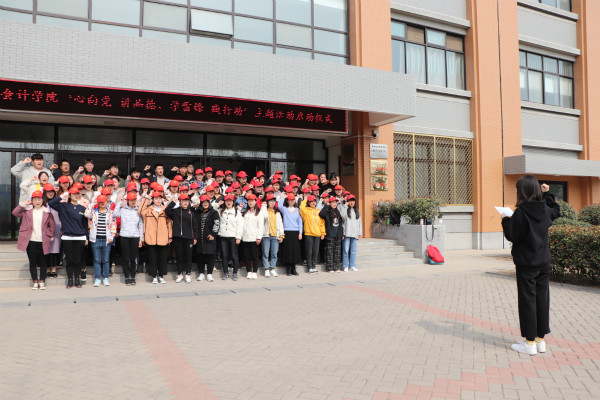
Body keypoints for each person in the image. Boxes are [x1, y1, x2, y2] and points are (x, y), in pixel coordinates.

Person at [501, 175, 560, 355]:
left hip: (527, 264)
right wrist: (547, 194)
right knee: (542, 300)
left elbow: (512, 235)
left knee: (528, 301)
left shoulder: (522, 212)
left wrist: (505, 219)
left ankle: (529, 343)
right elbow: (556, 210)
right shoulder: (544, 209)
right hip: (543, 262)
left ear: (522, 191)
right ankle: (540, 340)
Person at [13, 191, 56, 290]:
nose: (37, 201)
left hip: (43, 240)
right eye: (35, 199)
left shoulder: (47, 212)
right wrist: (23, 204)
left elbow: (52, 225)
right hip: (31, 240)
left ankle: (42, 280)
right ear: (32, 201)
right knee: (32, 262)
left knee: (43, 262)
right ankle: (35, 281)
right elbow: (15, 212)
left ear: (42, 200)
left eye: (39, 199)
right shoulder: (27, 211)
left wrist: (50, 235)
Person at [48, 187, 88, 288]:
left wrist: (86, 237)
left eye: (78, 194)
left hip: (80, 237)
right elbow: (51, 203)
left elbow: (85, 224)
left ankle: (77, 280)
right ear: (69, 195)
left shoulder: (82, 208)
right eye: (74, 194)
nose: (76, 196)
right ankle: (70, 280)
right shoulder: (63, 206)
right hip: (67, 237)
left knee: (77, 260)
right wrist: (61, 196)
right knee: (70, 260)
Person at [139, 192, 172, 284]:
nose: (158, 200)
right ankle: (154, 276)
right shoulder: (148, 210)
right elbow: (140, 210)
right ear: (153, 200)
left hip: (163, 236)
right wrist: (147, 198)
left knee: (162, 258)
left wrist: (170, 236)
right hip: (151, 237)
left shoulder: (165, 210)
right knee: (152, 258)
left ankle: (161, 276)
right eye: (156, 198)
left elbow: (169, 223)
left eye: (160, 198)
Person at [165, 193, 198, 283]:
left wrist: (195, 237)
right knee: (179, 257)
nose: (185, 202)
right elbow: (167, 210)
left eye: (187, 201)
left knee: (188, 257)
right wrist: (173, 202)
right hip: (178, 237)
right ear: (180, 202)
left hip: (189, 238)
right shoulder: (176, 211)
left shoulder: (191, 212)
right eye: (183, 201)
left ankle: (188, 274)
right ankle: (180, 274)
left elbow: (195, 226)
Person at [85, 195, 117, 287]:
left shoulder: (111, 213)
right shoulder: (94, 212)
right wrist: (92, 203)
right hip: (96, 239)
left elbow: (113, 226)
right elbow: (86, 214)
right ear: (98, 202)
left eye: (104, 201)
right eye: (100, 202)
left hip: (106, 240)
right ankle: (97, 278)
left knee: (106, 260)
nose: (102, 203)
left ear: (107, 202)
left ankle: (106, 278)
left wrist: (112, 236)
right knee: (97, 260)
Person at [114, 192, 144, 286]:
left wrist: (141, 239)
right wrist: (119, 202)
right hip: (124, 236)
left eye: (134, 200)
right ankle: (127, 276)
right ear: (127, 201)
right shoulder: (123, 210)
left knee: (134, 258)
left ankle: (133, 276)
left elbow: (141, 225)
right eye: (131, 200)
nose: (133, 202)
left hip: (135, 237)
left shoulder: (138, 211)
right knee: (125, 258)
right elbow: (115, 214)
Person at [194, 195, 220, 282]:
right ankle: (201, 273)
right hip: (199, 238)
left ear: (209, 203)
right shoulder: (197, 212)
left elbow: (217, 224)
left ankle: (209, 274)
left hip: (210, 238)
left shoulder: (214, 213)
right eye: (203, 202)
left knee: (210, 256)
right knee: (200, 256)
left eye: (207, 202)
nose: (205, 204)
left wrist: (213, 234)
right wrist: (193, 206)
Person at [218, 194, 243, 281]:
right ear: (224, 202)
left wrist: (238, 237)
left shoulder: (237, 212)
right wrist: (217, 204)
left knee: (234, 256)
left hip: (233, 236)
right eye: (227, 201)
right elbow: (213, 209)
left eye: (230, 201)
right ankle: (226, 272)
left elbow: (240, 225)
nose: (229, 202)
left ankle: (235, 273)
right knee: (224, 256)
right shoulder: (221, 211)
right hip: (223, 235)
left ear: (233, 202)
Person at [278, 193, 303, 276]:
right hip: (287, 231)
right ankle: (288, 269)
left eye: (293, 200)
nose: (291, 201)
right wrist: (283, 197)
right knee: (288, 250)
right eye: (290, 200)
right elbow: (279, 206)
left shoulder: (298, 210)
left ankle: (293, 268)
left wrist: (300, 232)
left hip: (295, 231)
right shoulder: (285, 209)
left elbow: (300, 222)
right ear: (287, 201)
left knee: (295, 251)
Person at [300, 195, 326, 273]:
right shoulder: (306, 211)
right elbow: (301, 208)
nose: (313, 203)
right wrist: (304, 200)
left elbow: (322, 223)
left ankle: (314, 266)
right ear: (308, 202)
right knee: (309, 252)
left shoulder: (318, 211)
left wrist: (322, 233)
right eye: (311, 201)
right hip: (308, 234)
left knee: (315, 251)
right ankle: (309, 267)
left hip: (317, 234)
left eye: (314, 201)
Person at [240, 194, 264, 279]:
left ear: (255, 202)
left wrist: (259, 237)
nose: (250, 202)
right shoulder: (245, 212)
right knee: (247, 256)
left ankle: (254, 271)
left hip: (254, 238)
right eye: (249, 201)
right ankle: (248, 271)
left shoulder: (259, 213)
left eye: (252, 201)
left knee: (255, 256)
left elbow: (260, 226)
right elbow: (241, 225)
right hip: (246, 237)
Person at [261, 194, 284, 278]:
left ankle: (272, 268)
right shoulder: (264, 211)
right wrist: (263, 207)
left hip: (275, 235)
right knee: (265, 253)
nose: (272, 203)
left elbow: (280, 224)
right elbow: (264, 217)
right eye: (270, 201)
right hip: (266, 235)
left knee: (274, 253)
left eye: (273, 201)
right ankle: (266, 269)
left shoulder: (277, 212)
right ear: (267, 202)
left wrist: (281, 235)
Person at [319, 197, 344, 273]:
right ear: (330, 203)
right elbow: (321, 214)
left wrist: (341, 234)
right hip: (330, 234)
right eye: (332, 202)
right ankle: (330, 268)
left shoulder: (337, 212)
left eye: (335, 202)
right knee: (329, 252)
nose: (334, 204)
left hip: (337, 235)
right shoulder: (327, 211)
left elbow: (340, 224)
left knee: (337, 252)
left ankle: (336, 267)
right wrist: (326, 205)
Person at [42, 184, 61, 278]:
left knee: (55, 250)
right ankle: (46, 269)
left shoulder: (57, 203)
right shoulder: (42, 203)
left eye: (52, 192)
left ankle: (53, 269)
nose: (50, 194)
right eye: (48, 192)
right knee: (46, 250)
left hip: (57, 229)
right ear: (44, 193)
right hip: (44, 230)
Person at [340, 195, 362, 272]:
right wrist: (345, 206)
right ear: (348, 202)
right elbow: (342, 216)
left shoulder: (357, 211)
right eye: (350, 201)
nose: (352, 202)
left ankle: (352, 265)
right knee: (346, 250)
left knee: (354, 251)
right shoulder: (345, 209)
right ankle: (345, 266)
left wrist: (360, 232)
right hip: (347, 233)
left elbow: (359, 223)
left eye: (353, 201)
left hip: (355, 234)